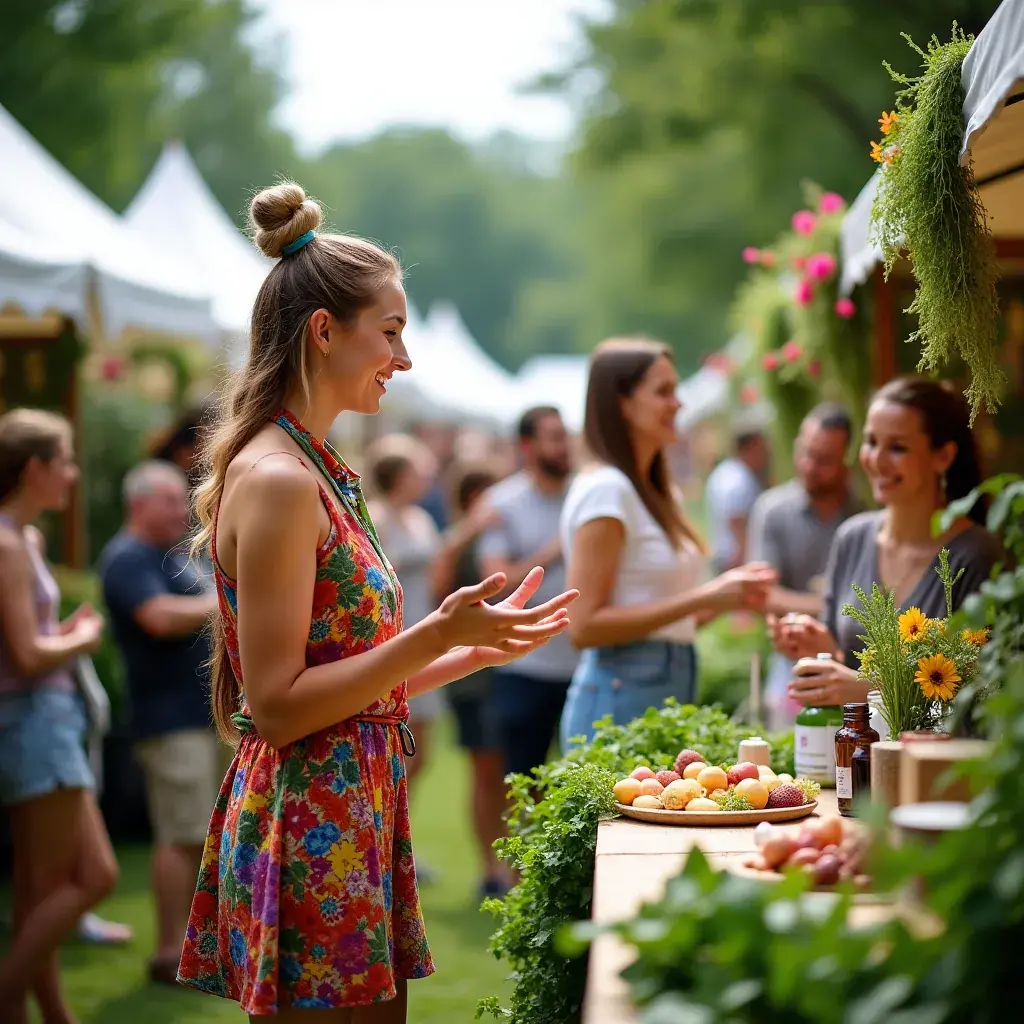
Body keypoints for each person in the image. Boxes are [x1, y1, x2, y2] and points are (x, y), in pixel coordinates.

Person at [175, 181, 577, 1022]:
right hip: (311, 825)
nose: (405, 358)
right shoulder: (282, 480)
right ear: (325, 332)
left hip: (352, 808)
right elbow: (279, 706)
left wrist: (469, 649)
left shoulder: (314, 468)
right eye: (390, 332)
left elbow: (351, 684)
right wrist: (432, 635)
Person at [558, 338, 777, 748]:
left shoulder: (656, 492)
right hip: (617, 701)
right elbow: (584, 626)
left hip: (664, 685)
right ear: (622, 404)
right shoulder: (606, 489)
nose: (678, 403)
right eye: (663, 392)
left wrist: (730, 596)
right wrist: (704, 596)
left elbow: (668, 620)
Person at [775, 377, 1003, 708]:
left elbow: (982, 692)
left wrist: (865, 689)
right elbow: (843, 664)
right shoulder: (852, 538)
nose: (877, 460)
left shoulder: (976, 556)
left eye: (897, 447)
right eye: (871, 442)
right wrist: (819, 648)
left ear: (943, 456)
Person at [0, 409, 119, 1024]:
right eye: (65, 462)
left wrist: (63, 632)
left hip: (40, 718)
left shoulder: (24, 538)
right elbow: (25, 655)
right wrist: (83, 639)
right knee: (94, 876)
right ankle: (7, 994)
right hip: (35, 722)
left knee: (36, 888)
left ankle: (49, 1012)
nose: (72, 474)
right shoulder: (7, 543)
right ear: (35, 469)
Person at [98, 460, 219, 985]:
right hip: (169, 721)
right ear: (138, 505)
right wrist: (227, 601)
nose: (180, 510)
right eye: (169, 501)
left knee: (206, 836)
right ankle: (170, 954)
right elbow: (159, 617)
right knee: (181, 835)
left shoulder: (172, 554)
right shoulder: (126, 557)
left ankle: (200, 949)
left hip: (202, 716)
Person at [477, 407, 579, 778]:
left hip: (583, 666)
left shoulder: (586, 494)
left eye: (565, 435)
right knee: (524, 785)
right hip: (523, 667)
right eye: (554, 438)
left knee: (583, 786)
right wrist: (557, 548)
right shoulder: (502, 502)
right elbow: (495, 579)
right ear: (528, 446)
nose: (564, 446)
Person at [747, 403, 863, 728]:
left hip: (854, 669)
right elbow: (762, 595)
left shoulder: (864, 517)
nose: (810, 466)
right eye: (805, 453)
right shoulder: (773, 510)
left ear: (847, 462)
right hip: (790, 664)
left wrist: (803, 606)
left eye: (824, 459)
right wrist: (834, 607)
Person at [364, 437, 445, 883]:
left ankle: (396, 842)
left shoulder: (420, 518)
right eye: (417, 470)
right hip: (391, 640)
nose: (425, 478)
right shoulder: (376, 517)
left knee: (421, 752)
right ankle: (382, 846)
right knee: (395, 750)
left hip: (423, 637)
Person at [430, 465, 512, 897]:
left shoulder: (502, 532)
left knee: (509, 771)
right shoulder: (458, 538)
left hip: (505, 667)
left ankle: (510, 865)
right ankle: (489, 867)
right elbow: (437, 585)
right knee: (484, 768)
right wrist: (471, 528)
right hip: (469, 674)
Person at [704, 425, 769, 572]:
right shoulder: (739, 479)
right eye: (762, 447)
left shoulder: (725, 471)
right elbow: (737, 520)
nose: (767, 453)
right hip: (735, 561)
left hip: (724, 558)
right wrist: (744, 565)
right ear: (751, 446)